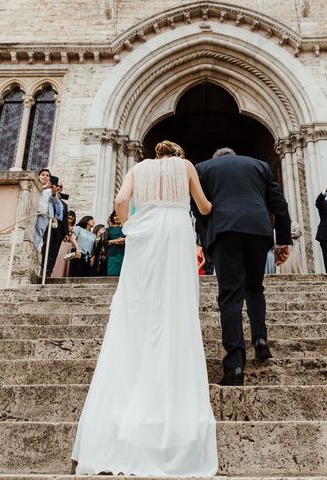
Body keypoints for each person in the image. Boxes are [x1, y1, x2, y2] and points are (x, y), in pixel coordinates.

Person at [71, 140, 217, 476]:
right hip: (177, 230)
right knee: (175, 300)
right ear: (177, 154)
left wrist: (132, 224)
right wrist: (207, 206)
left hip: (146, 230)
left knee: (138, 302)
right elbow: (204, 207)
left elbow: (121, 201)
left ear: (155, 154)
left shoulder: (137, 169)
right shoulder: (185, 166)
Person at [194, 147, 291, 386]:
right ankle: (260, 340)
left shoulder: (203, 168)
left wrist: (208, 245)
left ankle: (236, 364)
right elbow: (279, 204)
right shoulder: (260, 166)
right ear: (235, 155)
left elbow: (199, 211)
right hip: (259, 230)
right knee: (255, 287)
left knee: (230, 296)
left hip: (225, 231)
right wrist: (282, 241)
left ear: (217, 158)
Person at [33, 169, 57, 276]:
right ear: (39, 176)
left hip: (44, 215)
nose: (45, 177)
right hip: (33, 211)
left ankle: (35, 250)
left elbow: (55, 202)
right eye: (43, 174)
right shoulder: (35, 185)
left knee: (39, 233)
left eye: (47, 175)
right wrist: (42, 187)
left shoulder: (49, 190)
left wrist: (54, 193)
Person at [52, 210, 76, 277]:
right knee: (60, 260)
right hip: (62, 245)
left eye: (73, 216)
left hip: (70, 246)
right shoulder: (61, 226)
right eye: (69, 215)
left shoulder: (75, 228)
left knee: (68, 262)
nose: (71, 217)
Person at [105, 211, 126, 276]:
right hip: (112, 254)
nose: (117, 217)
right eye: (115, 216)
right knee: (112, 273)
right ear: (112, 218)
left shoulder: (126, 228)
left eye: (119, 215)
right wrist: (114, 241)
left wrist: (123, 240)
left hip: (124, 253)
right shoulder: (108, 230)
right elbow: (104, 242)